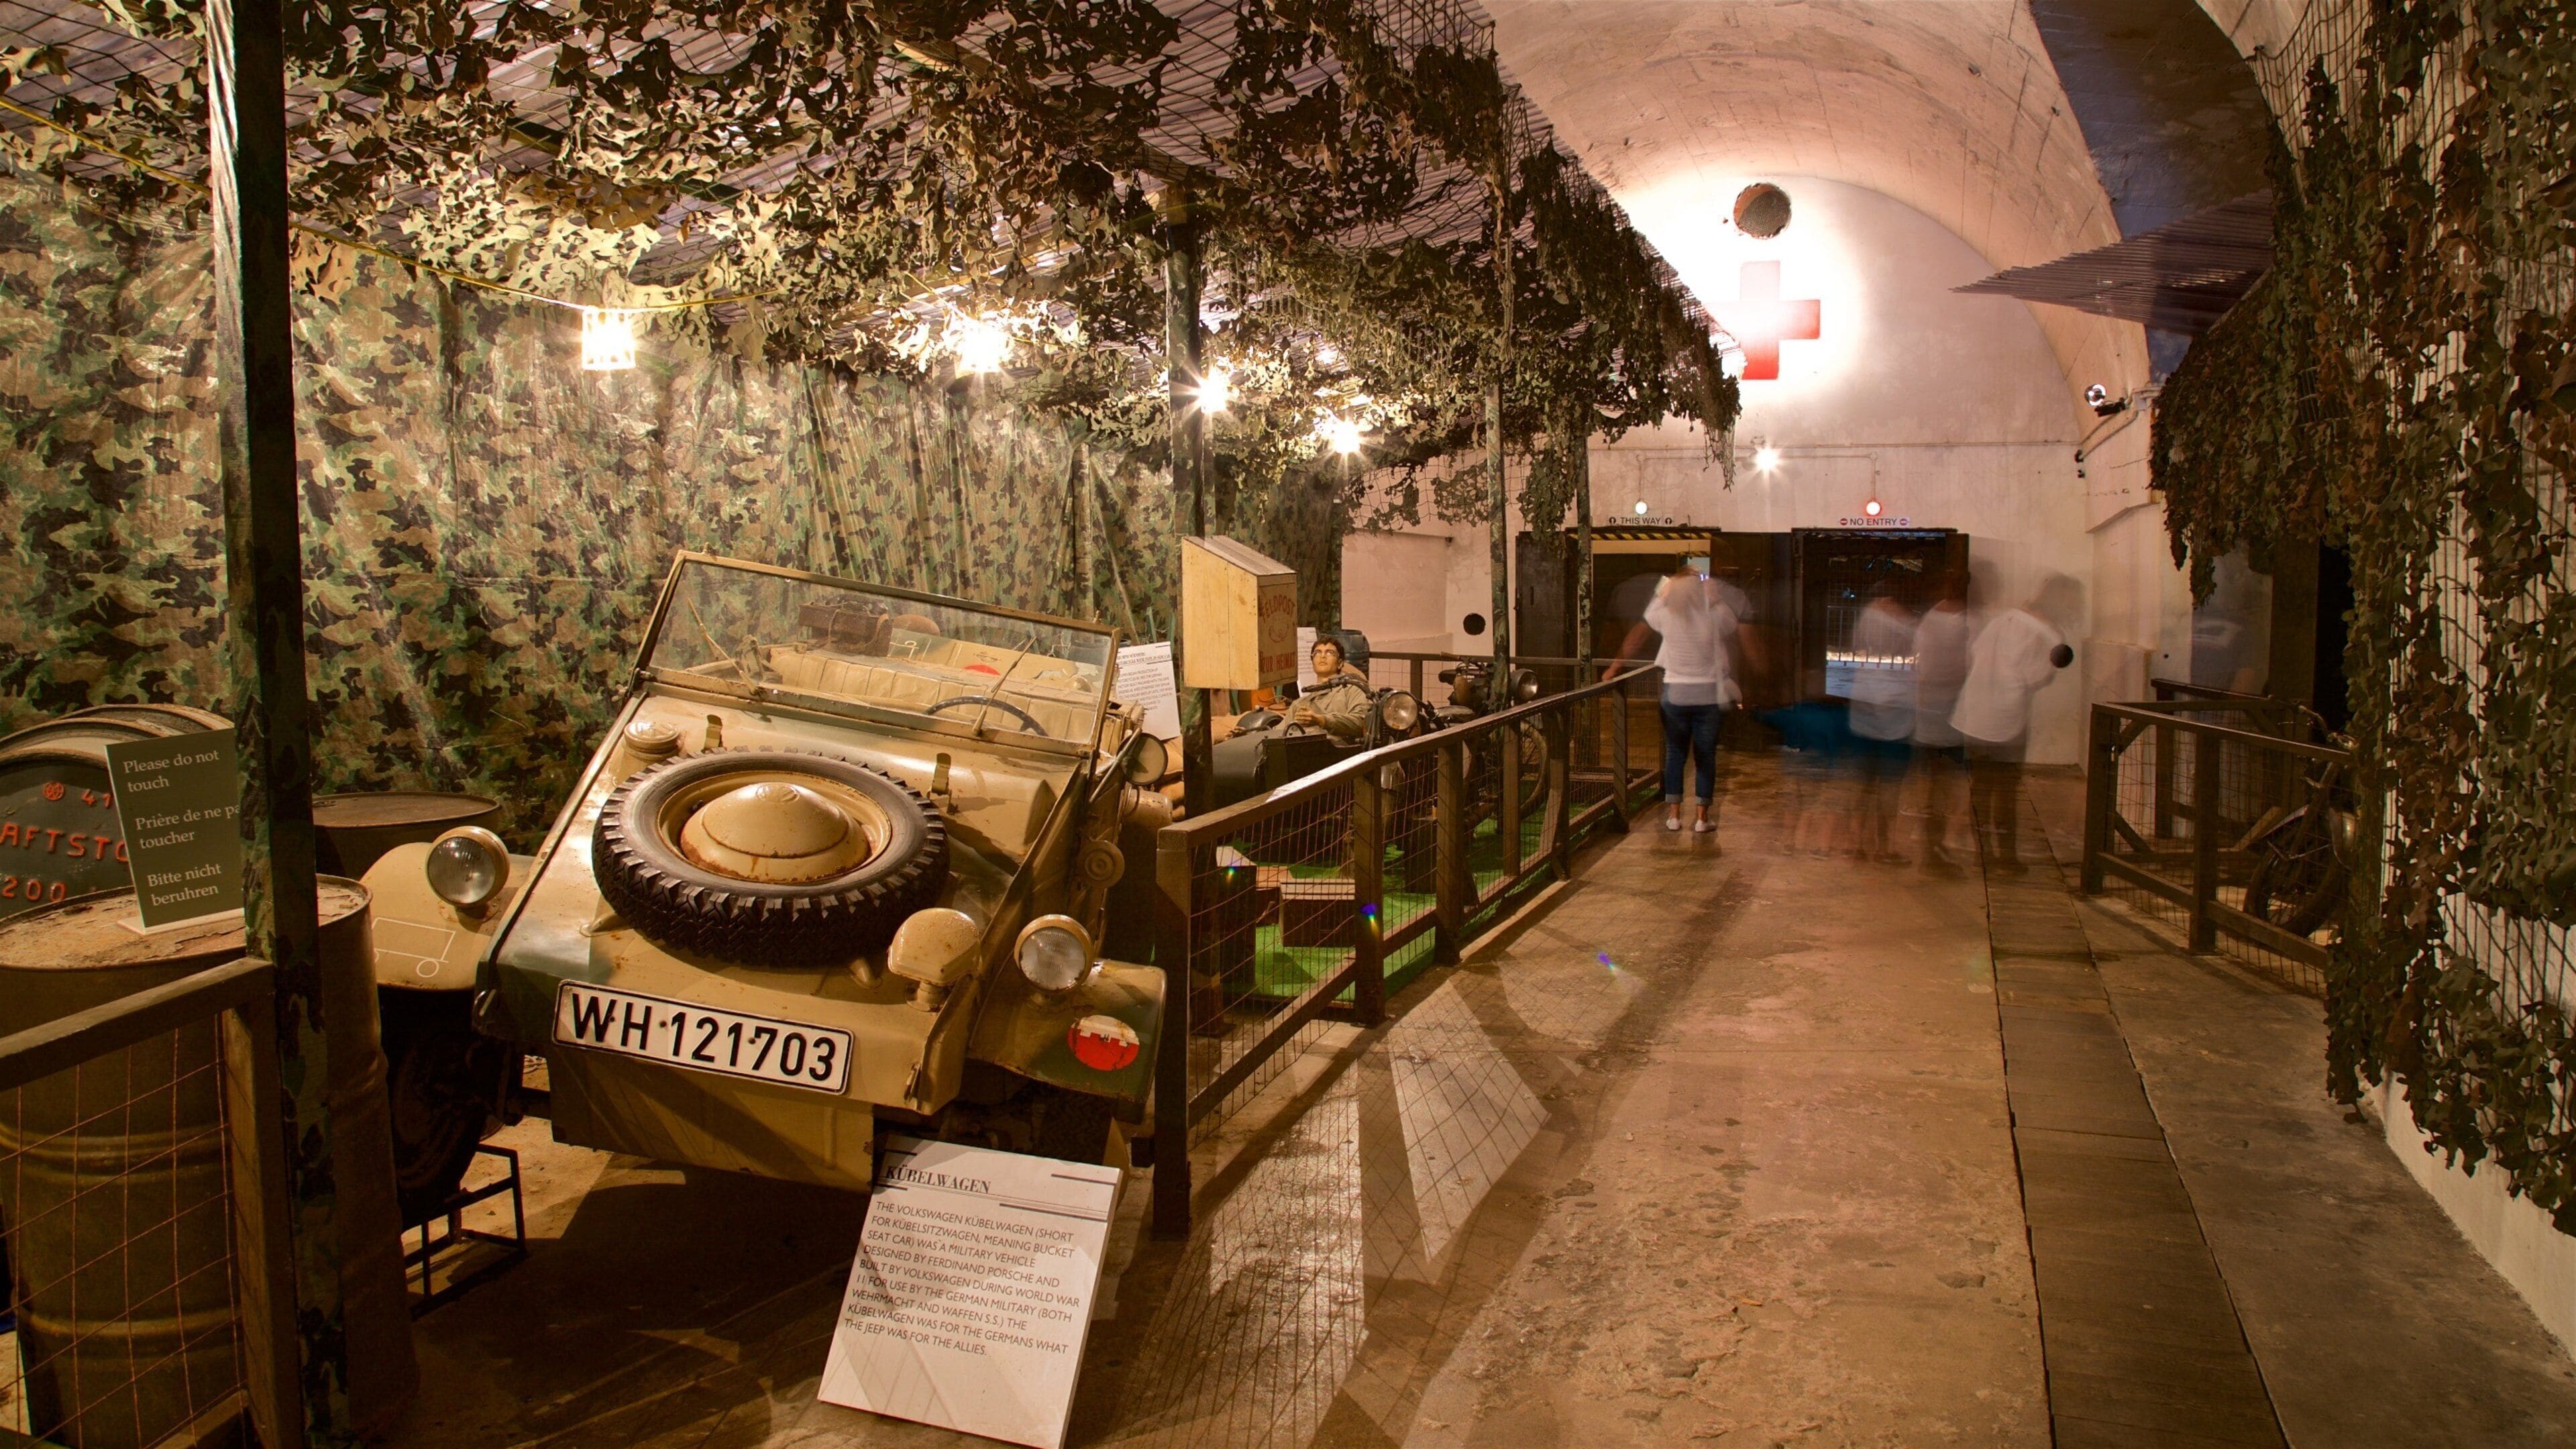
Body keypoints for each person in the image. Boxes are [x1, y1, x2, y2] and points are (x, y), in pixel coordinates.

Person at [1951, 575, 2078, 871]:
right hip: (2005, 721)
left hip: (1974, 714)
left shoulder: (2004, 618)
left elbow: (1975, 653)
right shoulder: (2047, 635)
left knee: (1981, 788)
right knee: (2006, 791)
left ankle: (1982, 854)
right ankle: (2006, 857)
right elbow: (2036, 677)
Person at [1644, 561, 1739, 834]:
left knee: (1675, 754)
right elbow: (1731, 624)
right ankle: (1702, 819)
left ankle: (1674, 817)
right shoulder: (1713, 615)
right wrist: (1715, 598)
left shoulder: (1667, 615)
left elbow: (1650, 613)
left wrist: (1667, 586)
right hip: (1708, 696)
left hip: (1676, 695)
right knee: (1705, 757)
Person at [1845, 586, 1917, 863]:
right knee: (1890, 786)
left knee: (1864, 783)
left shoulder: (1865, 617)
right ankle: (1884, 848)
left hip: (1864, 706)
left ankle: (1859, 845)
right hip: (1895, 713)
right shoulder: (1902, 622)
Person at [1911, 570, 1976, 871]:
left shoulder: (1930, 619)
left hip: (1932, 709)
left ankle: (1933, 845)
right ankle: (1938, 846)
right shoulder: (1965, 622)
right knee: (1949, 785)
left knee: (1934, 783)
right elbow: (1964, 665)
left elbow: (1920, 662)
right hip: (1950, 711)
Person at [1286, 634, 1373, 742]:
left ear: (1340, 663)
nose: (1323, 656)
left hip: (1341, 753)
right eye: (1318, 653)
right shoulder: (1300, 704)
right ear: (1312, 662)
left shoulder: (1352, 689)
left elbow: (1361, 722)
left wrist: (1322, 720)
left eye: (1329, 653)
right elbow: (1278, 733)